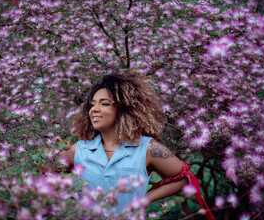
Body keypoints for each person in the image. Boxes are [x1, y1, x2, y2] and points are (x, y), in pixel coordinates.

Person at [61, 71, 213, 219]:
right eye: (92, 105)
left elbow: (186, 178)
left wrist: (145, 199)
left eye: (104, 103)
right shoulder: (77, 151)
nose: (94, 109)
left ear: (124, 108)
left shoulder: (147, 149)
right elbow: (41, 177)